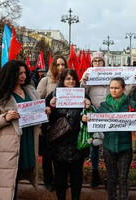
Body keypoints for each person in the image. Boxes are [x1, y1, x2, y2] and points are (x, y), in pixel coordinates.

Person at [84, 77, 136, 200]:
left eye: (117, 88)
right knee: (111, 177)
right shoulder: (104, 106)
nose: (113, 90)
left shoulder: (132, 105)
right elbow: (95, 120)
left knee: (123, 177)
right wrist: (87, 117)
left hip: (126, 147)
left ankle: (123, 197)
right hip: (109, 147)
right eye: (111, 88)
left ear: (123, 89)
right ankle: (112, 197)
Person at [0, 60, 40, 200]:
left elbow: (35, 113)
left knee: (18, 174)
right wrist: (5, 117)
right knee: (9, 181)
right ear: (10, 74)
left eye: (24, 73)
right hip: (8, 145)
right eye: (19, 73)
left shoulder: (30, 91)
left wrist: (44, 112)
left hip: (26, 141)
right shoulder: (0, 95)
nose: (23, 76)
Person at [81, 51, 136, 187]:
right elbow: (82, 91)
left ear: (104, 62)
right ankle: (95, 173)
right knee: (95, 145)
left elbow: (124, 87)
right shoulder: (88, 73)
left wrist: (131, 83)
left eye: (100, 61)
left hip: (112, 112)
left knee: (109, 147)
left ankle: (110, 176)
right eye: (95, 61)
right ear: (91, 63)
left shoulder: (112, 72)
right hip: (96, 112)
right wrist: (85, 82)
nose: (97, 63)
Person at [46, 68, 91, 200]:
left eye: (73, 79)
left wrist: (88, 110)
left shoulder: (83, 96)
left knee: (77, 177)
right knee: (60, 179)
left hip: (77, 143)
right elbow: (46, 120)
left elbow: (91, 120)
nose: (71, 81)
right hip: (59, 145)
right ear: (62, 80)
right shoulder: (53, 95)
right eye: (68, 79)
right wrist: (51, 108)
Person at [37, 55, 68, 191]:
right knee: (48, 153)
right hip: (49, 122)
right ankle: (48, 180)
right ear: (53, 66)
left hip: (64, 122)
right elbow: (37, 100)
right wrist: (47, 106)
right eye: (58, 64)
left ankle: (60, 180)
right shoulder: (46, 80)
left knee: (62, 153)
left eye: (63, 64)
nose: (61, 67)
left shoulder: (69, 80)